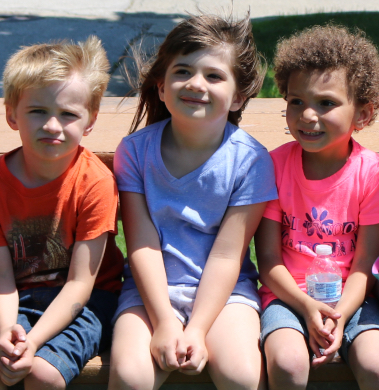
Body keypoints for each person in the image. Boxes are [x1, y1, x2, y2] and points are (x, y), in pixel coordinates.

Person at [107, 14, 276, 390]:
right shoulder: (135, 152)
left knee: (242, 377)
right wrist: (165, 321)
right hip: (149, 291)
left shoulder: (252, 161)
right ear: (162, 88)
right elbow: (141, 244)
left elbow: (227, 256)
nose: (196, 84)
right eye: (182, 71)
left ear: (239, 96)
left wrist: (197, 328)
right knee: (130, 377)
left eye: (214, 76)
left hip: (225, 293)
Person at [0, 36, 123, 390]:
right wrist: (7, 331)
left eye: (68, 114)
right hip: (17, 297)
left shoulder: (95, 182)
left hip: (90, 299)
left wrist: (32, 343)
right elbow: (0, 275)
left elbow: (81, 284)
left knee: (42, 373)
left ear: (90, 120)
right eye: (38, 111)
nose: (52, 125)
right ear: (11, 115)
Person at [256, 24, 379, 390]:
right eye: (296, 101)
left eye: (326, 103)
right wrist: (306, 306)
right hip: (288, 297)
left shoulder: (376, 175)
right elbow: (269, 260)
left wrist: (338, 315)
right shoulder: (273, 167)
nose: (308, 115)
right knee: (288, 364)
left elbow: (365, 265)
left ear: (363, 114)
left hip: (354, 299)